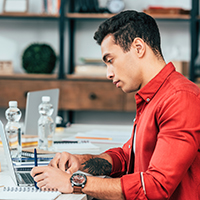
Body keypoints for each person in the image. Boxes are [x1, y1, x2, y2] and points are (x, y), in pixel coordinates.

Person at [31, 10, 200, 200]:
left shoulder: (180, 98)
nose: (108, 74)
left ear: (138, 47)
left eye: (110, 61)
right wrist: (81, 162)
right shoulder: (153, 96)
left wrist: (74, 182)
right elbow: (128, 157)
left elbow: (156, 187)